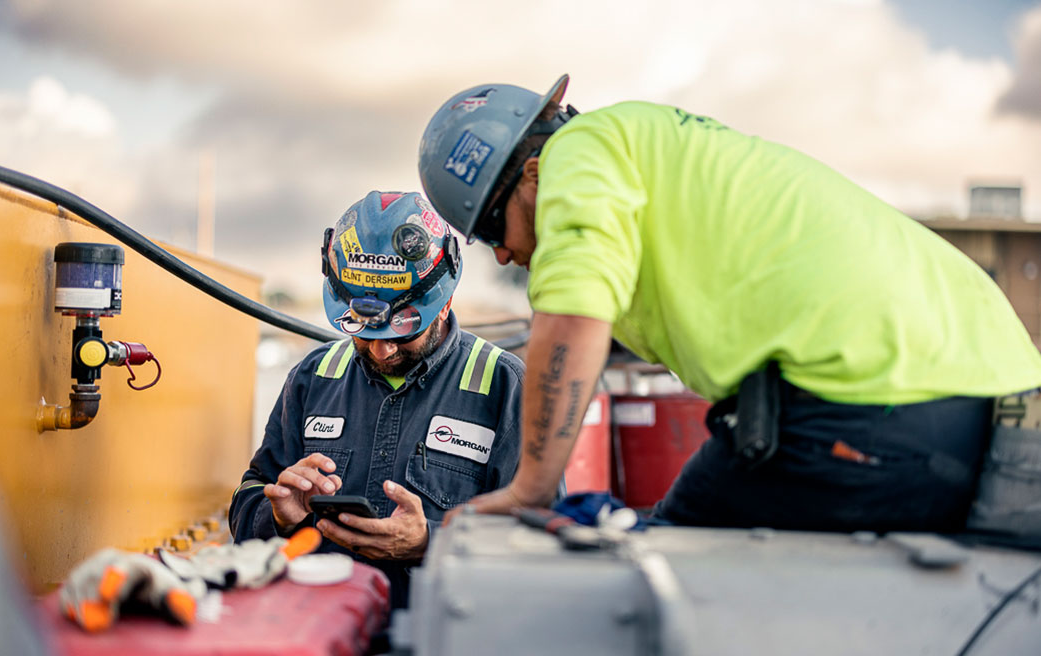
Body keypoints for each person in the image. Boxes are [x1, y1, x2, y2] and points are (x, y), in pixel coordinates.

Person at [417, 74, 1041, 533]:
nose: (500, 256)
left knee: (655, 569)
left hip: (866, 402)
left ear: (528, 175)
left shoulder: (578, 153)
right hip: (989, 392)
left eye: (493, 230)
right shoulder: (649, 148)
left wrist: (529, 490)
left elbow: (571, 320)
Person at [229, 191, 525, 607]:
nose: (382, 350)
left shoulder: (503, 386)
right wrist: (278, 517)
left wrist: (430, 544)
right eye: (363, 332)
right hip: (319, 637)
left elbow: (539, 543)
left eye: (403, 332)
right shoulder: (313, 379)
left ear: (445, 304)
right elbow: (247, 502)